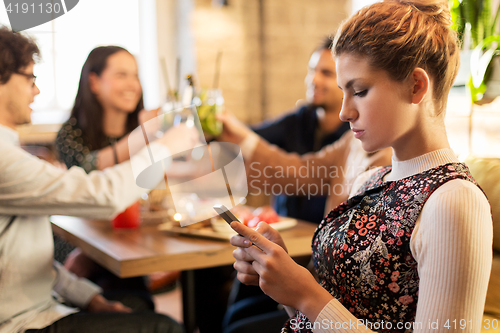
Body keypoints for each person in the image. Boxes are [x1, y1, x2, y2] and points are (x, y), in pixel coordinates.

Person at [229, 0, 492, 332]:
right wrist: (284, 281)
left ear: (416, 86)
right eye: (343, 92)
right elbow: (333, 317)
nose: (344, 112)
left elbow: (320, 307)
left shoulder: (455, 202)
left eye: (360, 91)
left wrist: (306, 294)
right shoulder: (369, 182)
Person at [0, 25, 196, 333]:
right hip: (23, 323)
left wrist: (91, 299)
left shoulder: (10, 150)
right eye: (30, 78)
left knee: (139, 306)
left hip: (42, 304)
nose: (36, 90)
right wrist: (163, 146)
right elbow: (100, 195)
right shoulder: (5, 158)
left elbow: (20, 264)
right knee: (164, 327)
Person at [54, 45, 178, 300]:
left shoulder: (143, 126)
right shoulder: (70, 133)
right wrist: (147, 136)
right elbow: (88, 168)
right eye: (122, 75)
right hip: (86, 246)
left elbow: (176, 174)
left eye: (135, 75)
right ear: (94, 82)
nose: (133, 84)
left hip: (136, 241)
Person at [251, 37, 349, 224]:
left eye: (326, 73)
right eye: (312, 70)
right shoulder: (297, 121)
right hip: (284, 235)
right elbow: (252, 137)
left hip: (316, 241)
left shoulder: (354, 138)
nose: (314, 79)